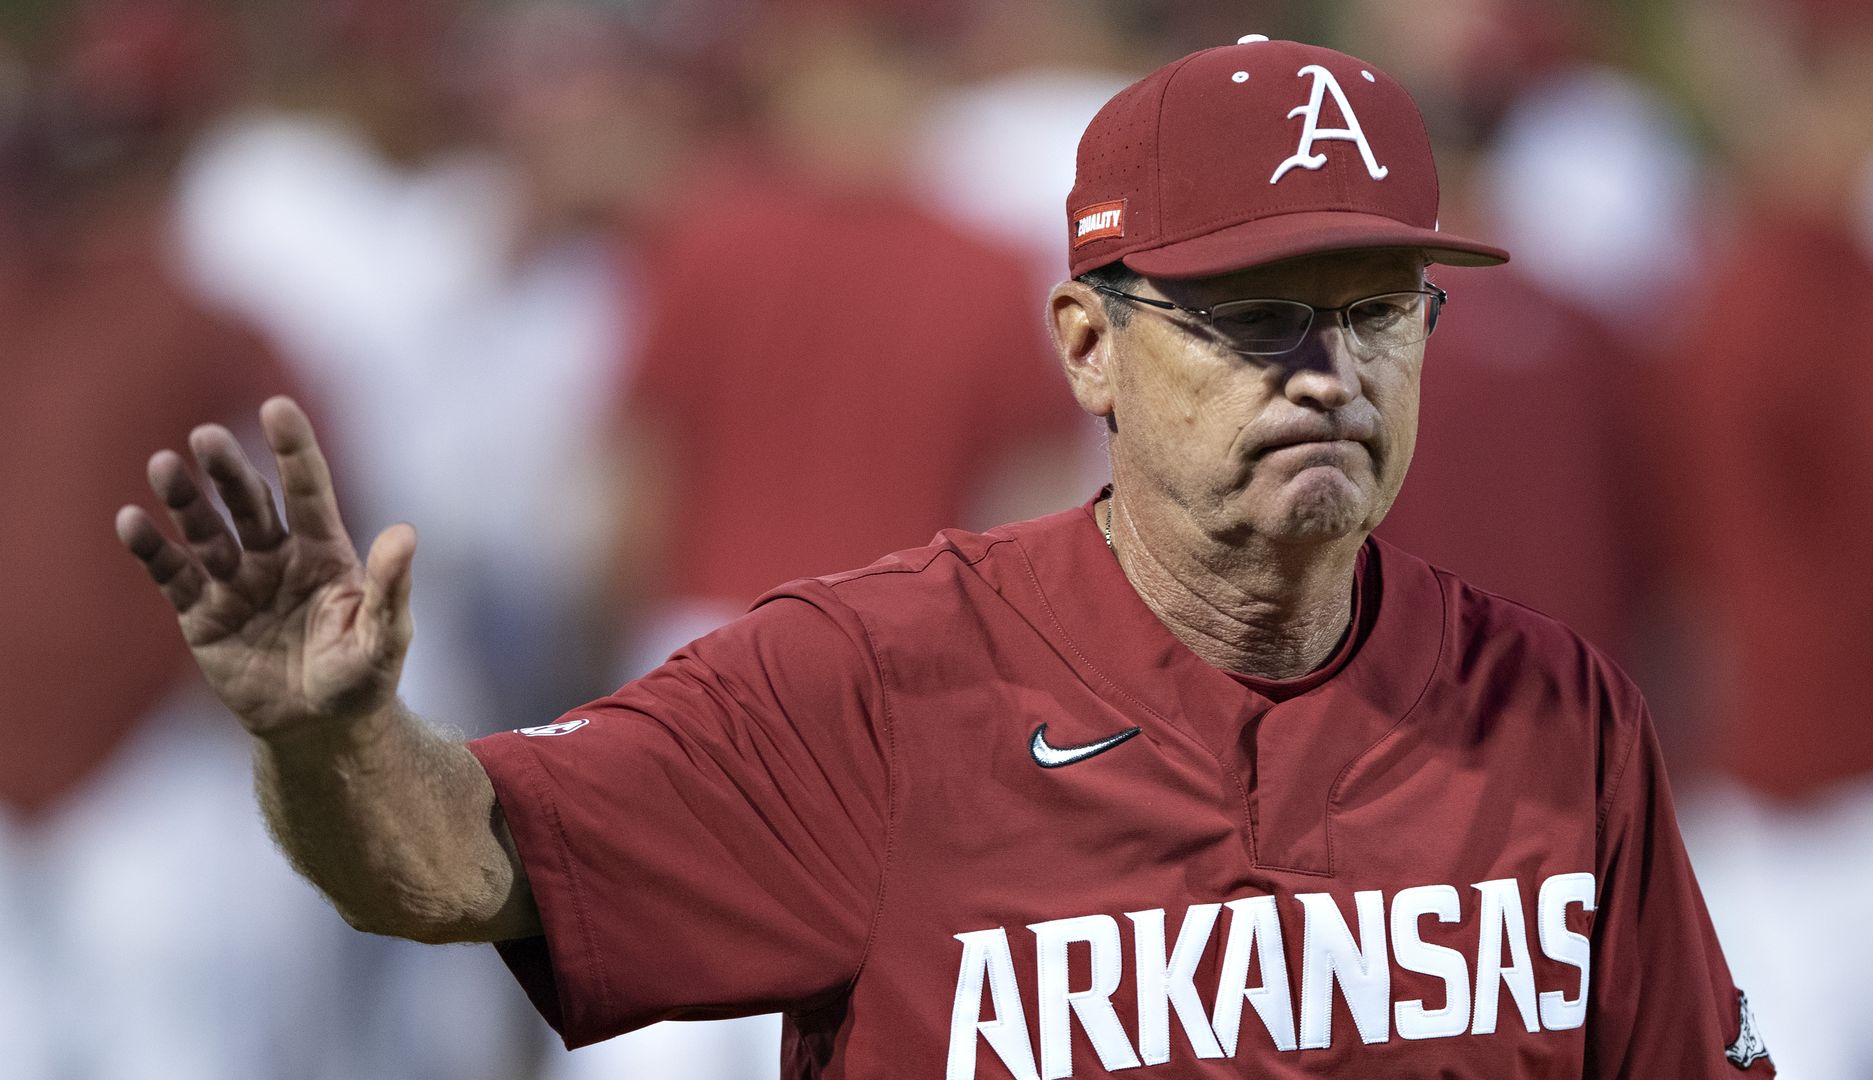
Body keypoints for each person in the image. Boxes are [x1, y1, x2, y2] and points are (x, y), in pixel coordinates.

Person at [116, 37, 1772, 1078]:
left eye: (1376, 310)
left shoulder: (1554, 711)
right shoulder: (881, 683)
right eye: (1258, 317)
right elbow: (472, 864)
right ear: (1086, 344)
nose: (1328, 374)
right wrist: (325, 738)